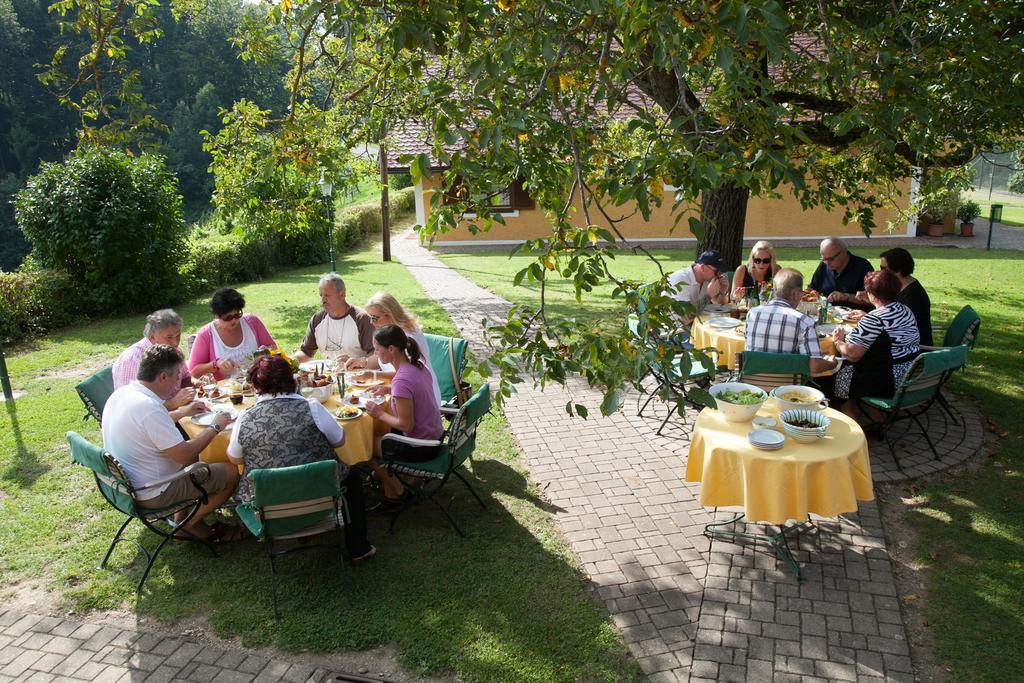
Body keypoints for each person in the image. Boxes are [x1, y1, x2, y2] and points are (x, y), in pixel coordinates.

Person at [226, 355, 374, 564]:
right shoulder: (312, 407)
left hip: (269, 505)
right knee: (352, 478)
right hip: (319, 495)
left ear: (255, 386)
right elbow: (340, 440)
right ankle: (359, 548)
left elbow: (234, 458)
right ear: (293, 380)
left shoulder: (245, 417)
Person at [102, 345, 242, 541]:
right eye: (177, 375)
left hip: (124, 487)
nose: (179, 380)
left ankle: (185, 519)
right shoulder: (148, 407)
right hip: (153, 492)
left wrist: (182, 412)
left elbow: (148, 425)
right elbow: (183, 454)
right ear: (162, 377)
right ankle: (187, 525)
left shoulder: (123, 394)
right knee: (232, 472)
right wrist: (216, 427)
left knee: (196, 455)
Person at [364, 325, 444, 507]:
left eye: (377, 350)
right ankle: (390, 490)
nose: (376, 354)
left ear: (391, 349)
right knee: (378, 437)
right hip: (434, 437)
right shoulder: (417, 365)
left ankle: (398, 493)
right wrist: (388, 388)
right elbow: (414, 390)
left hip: (421, 447)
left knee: (365, 447)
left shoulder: (401, 380)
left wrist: (379, 413)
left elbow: (406, 425)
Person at [830, 270, 921, 416]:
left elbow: (852, 354)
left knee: (841, 373)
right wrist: (866, 317)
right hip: (910, 372)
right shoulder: (905, 310)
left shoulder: (874, 320)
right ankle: (877, 421)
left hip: (888, 378)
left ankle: (851, 425)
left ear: (871, 294)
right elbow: (888, 330)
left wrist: (838, 340)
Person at [346, 291, 442, 405]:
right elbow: (380, 358)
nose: (372, 322)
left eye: (375, 318)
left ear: (390, 314)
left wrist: (372, 375)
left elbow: (408, 375)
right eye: (370, 318)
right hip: (401, 391)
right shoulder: (391, 333)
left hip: (421, 400)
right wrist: (361, 361)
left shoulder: (406, 337)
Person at [743, 269, 837, 375]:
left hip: (753, 386)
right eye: (801, 293)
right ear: (795, 294)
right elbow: (814, 366)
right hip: (788, 389)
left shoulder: (752, 314)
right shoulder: (804, 321)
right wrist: (832, 363)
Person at [112, 309, 195, 410]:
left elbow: (185, 376)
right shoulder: (131, 359)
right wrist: (172, 404)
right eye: (169, 337)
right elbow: (131, 406)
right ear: (152, 336)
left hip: (180, 409)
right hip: (152, 417)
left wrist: (188, 394)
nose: (175, 342)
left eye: (178, 335)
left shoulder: (173, 350)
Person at [188, 288, 276, 380]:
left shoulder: (252, 322)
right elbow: (194, 371)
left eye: (237, 314)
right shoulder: (206, 335)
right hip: (228, 391)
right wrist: (216, 364)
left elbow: (273, 348)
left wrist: (267, 353)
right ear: (216, 316)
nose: (234, 320)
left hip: (259, 383)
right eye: (227, 317)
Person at [295, 273, 375, 366]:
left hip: (359, 377)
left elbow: (376, 354)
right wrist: (292, 361)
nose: (322, 300)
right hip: (329, 377)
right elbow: (306, 352)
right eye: (321, 295)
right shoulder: (317, 320)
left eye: (327, 295)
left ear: (342, 294)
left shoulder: (361, 319)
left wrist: (359, 362)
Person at [667, 249, 729, 319]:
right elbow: (685, 317)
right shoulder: (680, 280)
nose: (719, 275)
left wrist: (723, 292)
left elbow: (719, 306)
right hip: (675, 327)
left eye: (721, 271)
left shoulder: (707, 279)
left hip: (694, 323)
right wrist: (708, 296)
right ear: (702, 267)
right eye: (716, 271)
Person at [809, 238, 873, 304]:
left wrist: (846, 297)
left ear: (844, 252)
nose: (827, 263)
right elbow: (812, 288)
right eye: (824, 259)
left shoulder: (863, 267)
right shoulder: (824, 265)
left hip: (855, 312)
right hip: (827, 312)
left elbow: (872, 300)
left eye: (831, 259)